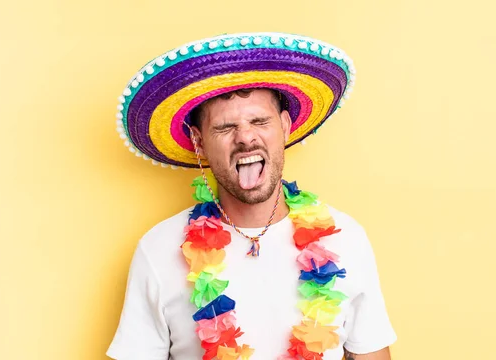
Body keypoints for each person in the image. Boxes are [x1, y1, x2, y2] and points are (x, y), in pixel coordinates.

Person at [108, 32, 397, 360]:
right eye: (225, 128)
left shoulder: (347, 240)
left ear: (286, 126)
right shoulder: (158, 249)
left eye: (259, 121)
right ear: (198, 141)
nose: (245, 137)